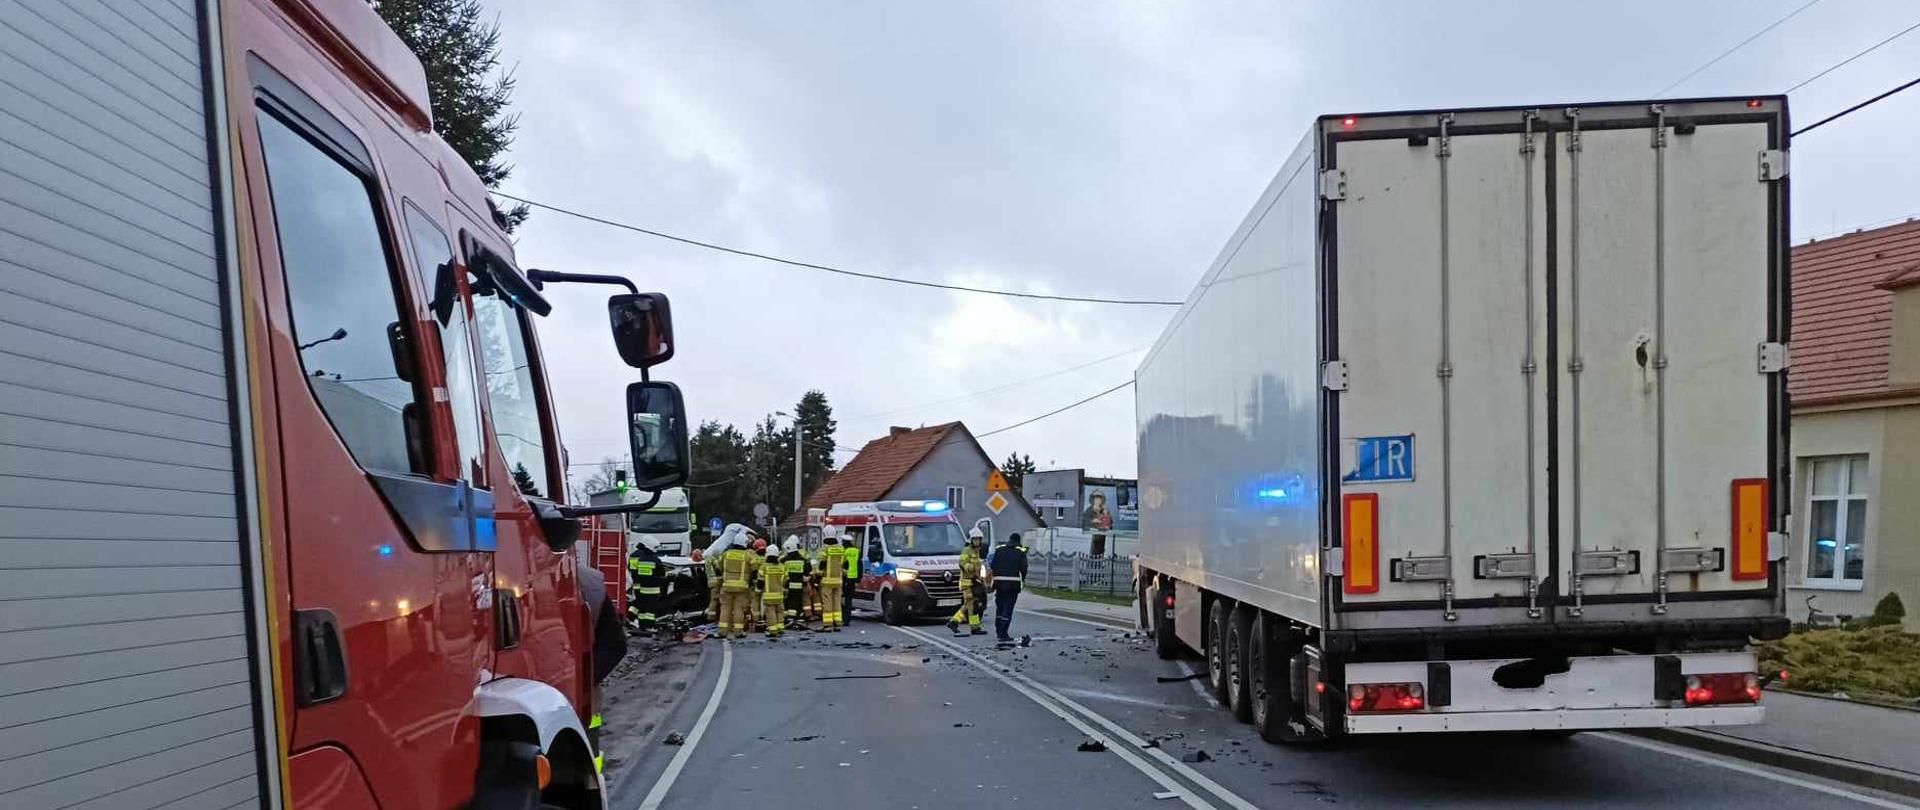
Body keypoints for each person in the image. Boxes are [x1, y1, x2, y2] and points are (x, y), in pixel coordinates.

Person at [716, 524, 759, 639]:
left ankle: (722, 632)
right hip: (742, 587)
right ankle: (738, 632)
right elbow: (755, 571)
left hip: (726, 587)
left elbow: (718, 568)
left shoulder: (725, 554)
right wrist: (752, 582)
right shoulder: (748, 556)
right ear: (745, 543)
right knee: (738, 610)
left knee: (725, 609)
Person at [988, 531, 1030, 644]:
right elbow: (1024, 568)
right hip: (1012, 585)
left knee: (1000, 607)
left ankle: (998, 631)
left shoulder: (999, 550)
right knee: (1008, 608)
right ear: (1018, 541)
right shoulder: (1020, 552)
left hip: (999, 584)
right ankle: (1004, 633)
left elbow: (992, 565)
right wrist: (1023, 579)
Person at [947, 529, 988, 636]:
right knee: (971, 605)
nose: (977, 541)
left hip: (975, 581)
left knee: (970, 605)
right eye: (975, 539)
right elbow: (962, 563)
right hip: (967, 583)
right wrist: (972, 568)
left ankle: (955, 622)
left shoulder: (977, 552)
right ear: (971, 540)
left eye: (979, 539)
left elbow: (979, 567)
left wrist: (980, 577)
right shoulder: (967, 550)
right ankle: (973, 627)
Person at [627, 540, 665, 630]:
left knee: (641, 605)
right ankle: (647, 626)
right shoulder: (655, 560)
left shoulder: (637, 557)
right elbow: (661, 573)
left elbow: (632, 569)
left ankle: (637, 622)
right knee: (649, 610)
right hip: (653, 589)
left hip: (640, 585)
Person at [815, 535, 846, 630]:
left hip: (827, 581)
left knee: (827, 602)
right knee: (837, 602)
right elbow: (844, 563)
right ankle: (837, 623)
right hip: (838, 580)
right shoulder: (841, 548)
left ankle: (828, 625)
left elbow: (822, 563)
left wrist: (818, 574)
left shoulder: (825, 549)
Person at [758, 545, 788, 638]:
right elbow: (786, 580)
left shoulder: (764, 567)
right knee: (780, 612)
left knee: (770, 613)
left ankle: (772, 631)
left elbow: (760, 581)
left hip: (768, 595)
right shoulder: (782, 567)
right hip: (779, 594)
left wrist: (759, 589)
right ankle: (780, 628)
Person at [780, 536, 810, 624]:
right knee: (798, 601)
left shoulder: (784, 560)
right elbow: (807, 573)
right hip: (799, 585)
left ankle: (788, 617)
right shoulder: (803, 560)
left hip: (788, 585)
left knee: (788, 602)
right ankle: (798, 616)